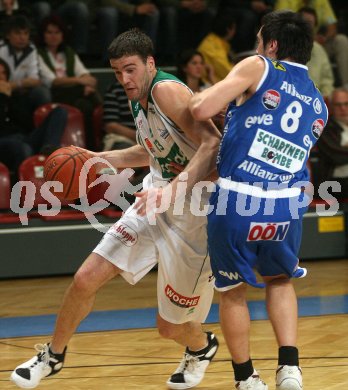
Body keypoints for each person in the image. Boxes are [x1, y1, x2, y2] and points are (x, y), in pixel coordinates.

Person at [11, 28, 221, 389]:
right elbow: (150, 150)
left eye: (130, 69)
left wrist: (172, 191)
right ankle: (53, 355)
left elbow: (213, 143)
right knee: (85, 278)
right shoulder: (138, 96)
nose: (124, 79)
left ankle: (201, 348)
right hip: (153, 198)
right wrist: (94, 158)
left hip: (196, 213)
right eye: (118, 71)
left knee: (169, 326)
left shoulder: (166, 91)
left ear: (150, 64)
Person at [189, 10, 328, 390]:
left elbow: (199, 108)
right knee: (281, 281)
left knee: (233, 293)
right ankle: (290, 370)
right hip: (285, 204)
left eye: (259, 41)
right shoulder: (319, 103)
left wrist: (207, 96)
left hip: (238, 201)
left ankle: (246, 377)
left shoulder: (258, 66)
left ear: (272, 45)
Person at [36, 15, 101, 149]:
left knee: (85, 105)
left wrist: (87, 84)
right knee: (87, 95)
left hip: (75, 96)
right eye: (49, 32)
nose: (53, 36)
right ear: (43, 35)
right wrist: (81, 82)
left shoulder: (68, 53)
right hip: (54, 94)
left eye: (57, 32)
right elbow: (53, 81)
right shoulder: (38, 54)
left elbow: (86, 75)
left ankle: (90, 147)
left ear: (63, 34)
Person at [0, 57, 67, 172]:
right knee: (22, 148)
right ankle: (22, 185)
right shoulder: (4, 96)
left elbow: (26, 124)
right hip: (4, 141)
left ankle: (49, 149)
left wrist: (10, 99)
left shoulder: (15, 96)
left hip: (24, 138)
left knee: (60, 111)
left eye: (4, 73)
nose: (1, 77)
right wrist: (2, 97)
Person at [274, 0, 348, 89]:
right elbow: (277, 25)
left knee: (341, 40)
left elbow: (332, 24)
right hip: (290, 41)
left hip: (317, 42)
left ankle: (346, 86)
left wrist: (323, 38)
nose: (308, 25)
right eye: (306, 22)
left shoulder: (322, 2)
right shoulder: (286, 1)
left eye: (310, 23)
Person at [0, 14, 51, 132]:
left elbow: (34, 80)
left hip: (19, 93)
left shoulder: (31, 50)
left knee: (42, 92)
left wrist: (12, 85)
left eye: (25, 33)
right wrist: (22, 83)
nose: (22, 37)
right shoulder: (1, 49)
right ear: (8, 35)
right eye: (18, 33)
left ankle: (40, 131)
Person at [316, 88, 348, 199]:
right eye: (338, 105)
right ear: (331, 106)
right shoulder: (324, 128)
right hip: (333, 183)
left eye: (346, 104)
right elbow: (337, 156)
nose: (343, 108)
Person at [298, 6, 334, 99]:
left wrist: (325, 95)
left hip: (314, 100)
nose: (307, 26)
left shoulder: (319, 50)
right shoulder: (283, 46)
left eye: (310, 23)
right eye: (304, 22)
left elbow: (327, 79)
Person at [197, 9, 236, 82]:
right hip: (206, 85)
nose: (234, 32)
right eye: (234, 28)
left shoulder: (218, 42)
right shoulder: (212, 45)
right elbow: (227, 71)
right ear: (228, 29)